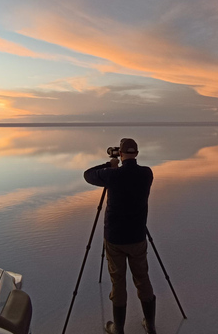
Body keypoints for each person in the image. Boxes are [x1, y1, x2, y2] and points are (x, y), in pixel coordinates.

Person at [84, 138, 157, 334]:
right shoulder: (147, 173)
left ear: (121, 154)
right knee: (143, 278)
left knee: (118, 281)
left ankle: (118, 329)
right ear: (137, 154)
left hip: (115, 238)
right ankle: (150, 326)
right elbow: (132, 176)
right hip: (138, 236)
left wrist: (109, 165)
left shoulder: (112, 175)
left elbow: (88, 175)